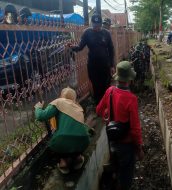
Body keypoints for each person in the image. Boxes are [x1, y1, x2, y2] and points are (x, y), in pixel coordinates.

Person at [96, 61, 144, 190]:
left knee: (116, 167)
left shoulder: (110, 91)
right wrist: (139, 148)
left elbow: (99, 110)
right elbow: (135, 129)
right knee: (126, 177)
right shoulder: (131, 98)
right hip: (126, 144)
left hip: (112, 140)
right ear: (129, 79)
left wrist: (108, 114)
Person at [34, 87, 90, 174]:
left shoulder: (58, 102)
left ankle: (63, 161)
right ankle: (77, 158)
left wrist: (38, 108)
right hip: (83, 141)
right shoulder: (78, 107)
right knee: (74, 142)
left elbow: (41, 116)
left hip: (61, 142)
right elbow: (81, 126)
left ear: (61, 95)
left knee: (58, 142)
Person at [69, 13, 115, 104]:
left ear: (101, 24)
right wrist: (72, 47)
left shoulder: (106, 33)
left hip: (105, 64)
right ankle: (98, 105)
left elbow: (111, 49)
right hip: (93, 65)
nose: (96, 27)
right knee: (96, 85)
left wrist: (112, 65)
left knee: (106, 84)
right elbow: (80, 47)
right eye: (94, 25)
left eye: (98, 25)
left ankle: (107, 104)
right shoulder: (87, 33)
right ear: (91, 24)